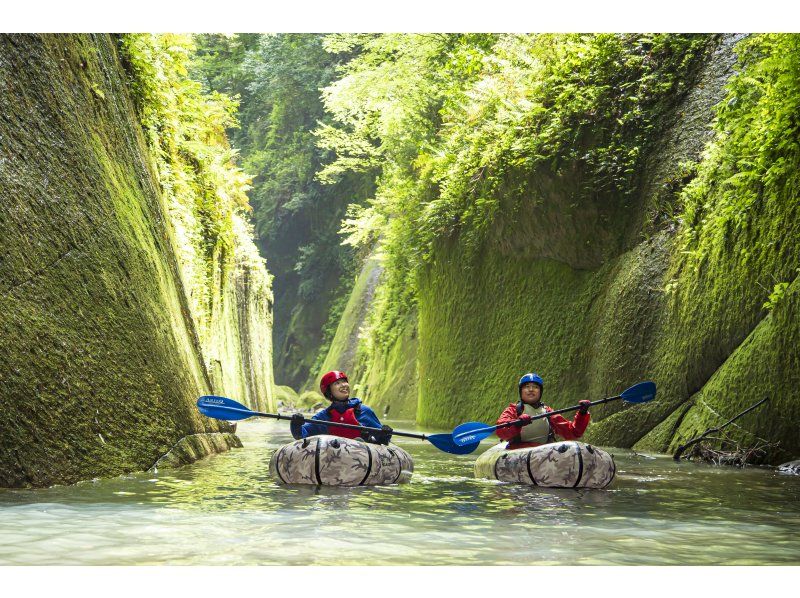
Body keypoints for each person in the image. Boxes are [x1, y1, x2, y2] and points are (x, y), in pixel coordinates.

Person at [290, 370, 393, 444]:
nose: (343, 385)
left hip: (362, 458)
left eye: (344, 381)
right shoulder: (324, 417)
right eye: (337, 383)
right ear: (329, 392)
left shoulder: (363, 411)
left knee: (360, 441)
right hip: (334, 459)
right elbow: (302, 435)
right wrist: (296, 424)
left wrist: (385, 433)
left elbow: (382, 440)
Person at [495, 373, 591, 450]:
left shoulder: (548, 412)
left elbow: (572, 433)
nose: (531, 390)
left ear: (540, 392)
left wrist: (582, 414)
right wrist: (517, 424)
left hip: (544, 454)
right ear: (521, 391)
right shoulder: (513, 410)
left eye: (535, 387)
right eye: (527, 386)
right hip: (519, 454)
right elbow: (500, 431)